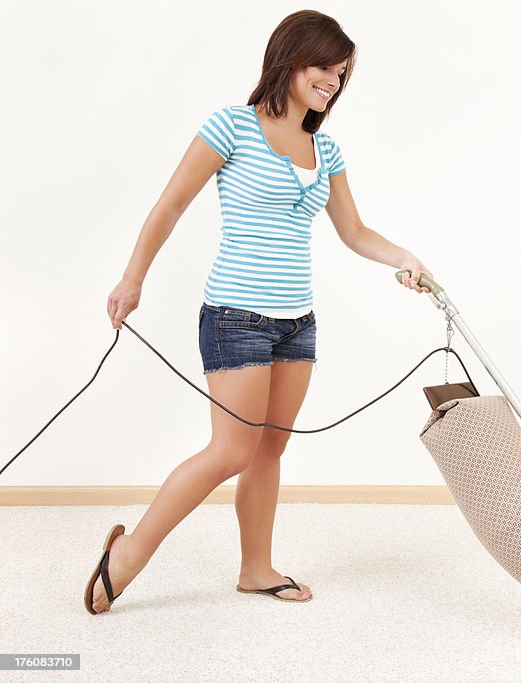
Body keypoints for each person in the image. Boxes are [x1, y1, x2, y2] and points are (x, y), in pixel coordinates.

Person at [88, 10, 431, 613]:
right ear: (292, 59)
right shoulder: (233, 127)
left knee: (270, 449)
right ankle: (129, 554)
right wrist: (132, 278)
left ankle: (255, 568)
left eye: (342, 74)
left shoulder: (325, 148)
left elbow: (352, 231)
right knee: (229, 451)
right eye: (325, 67)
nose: (333, 81)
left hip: (297, 323)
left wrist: (404, 257)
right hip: (237, 316)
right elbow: (169, 206)